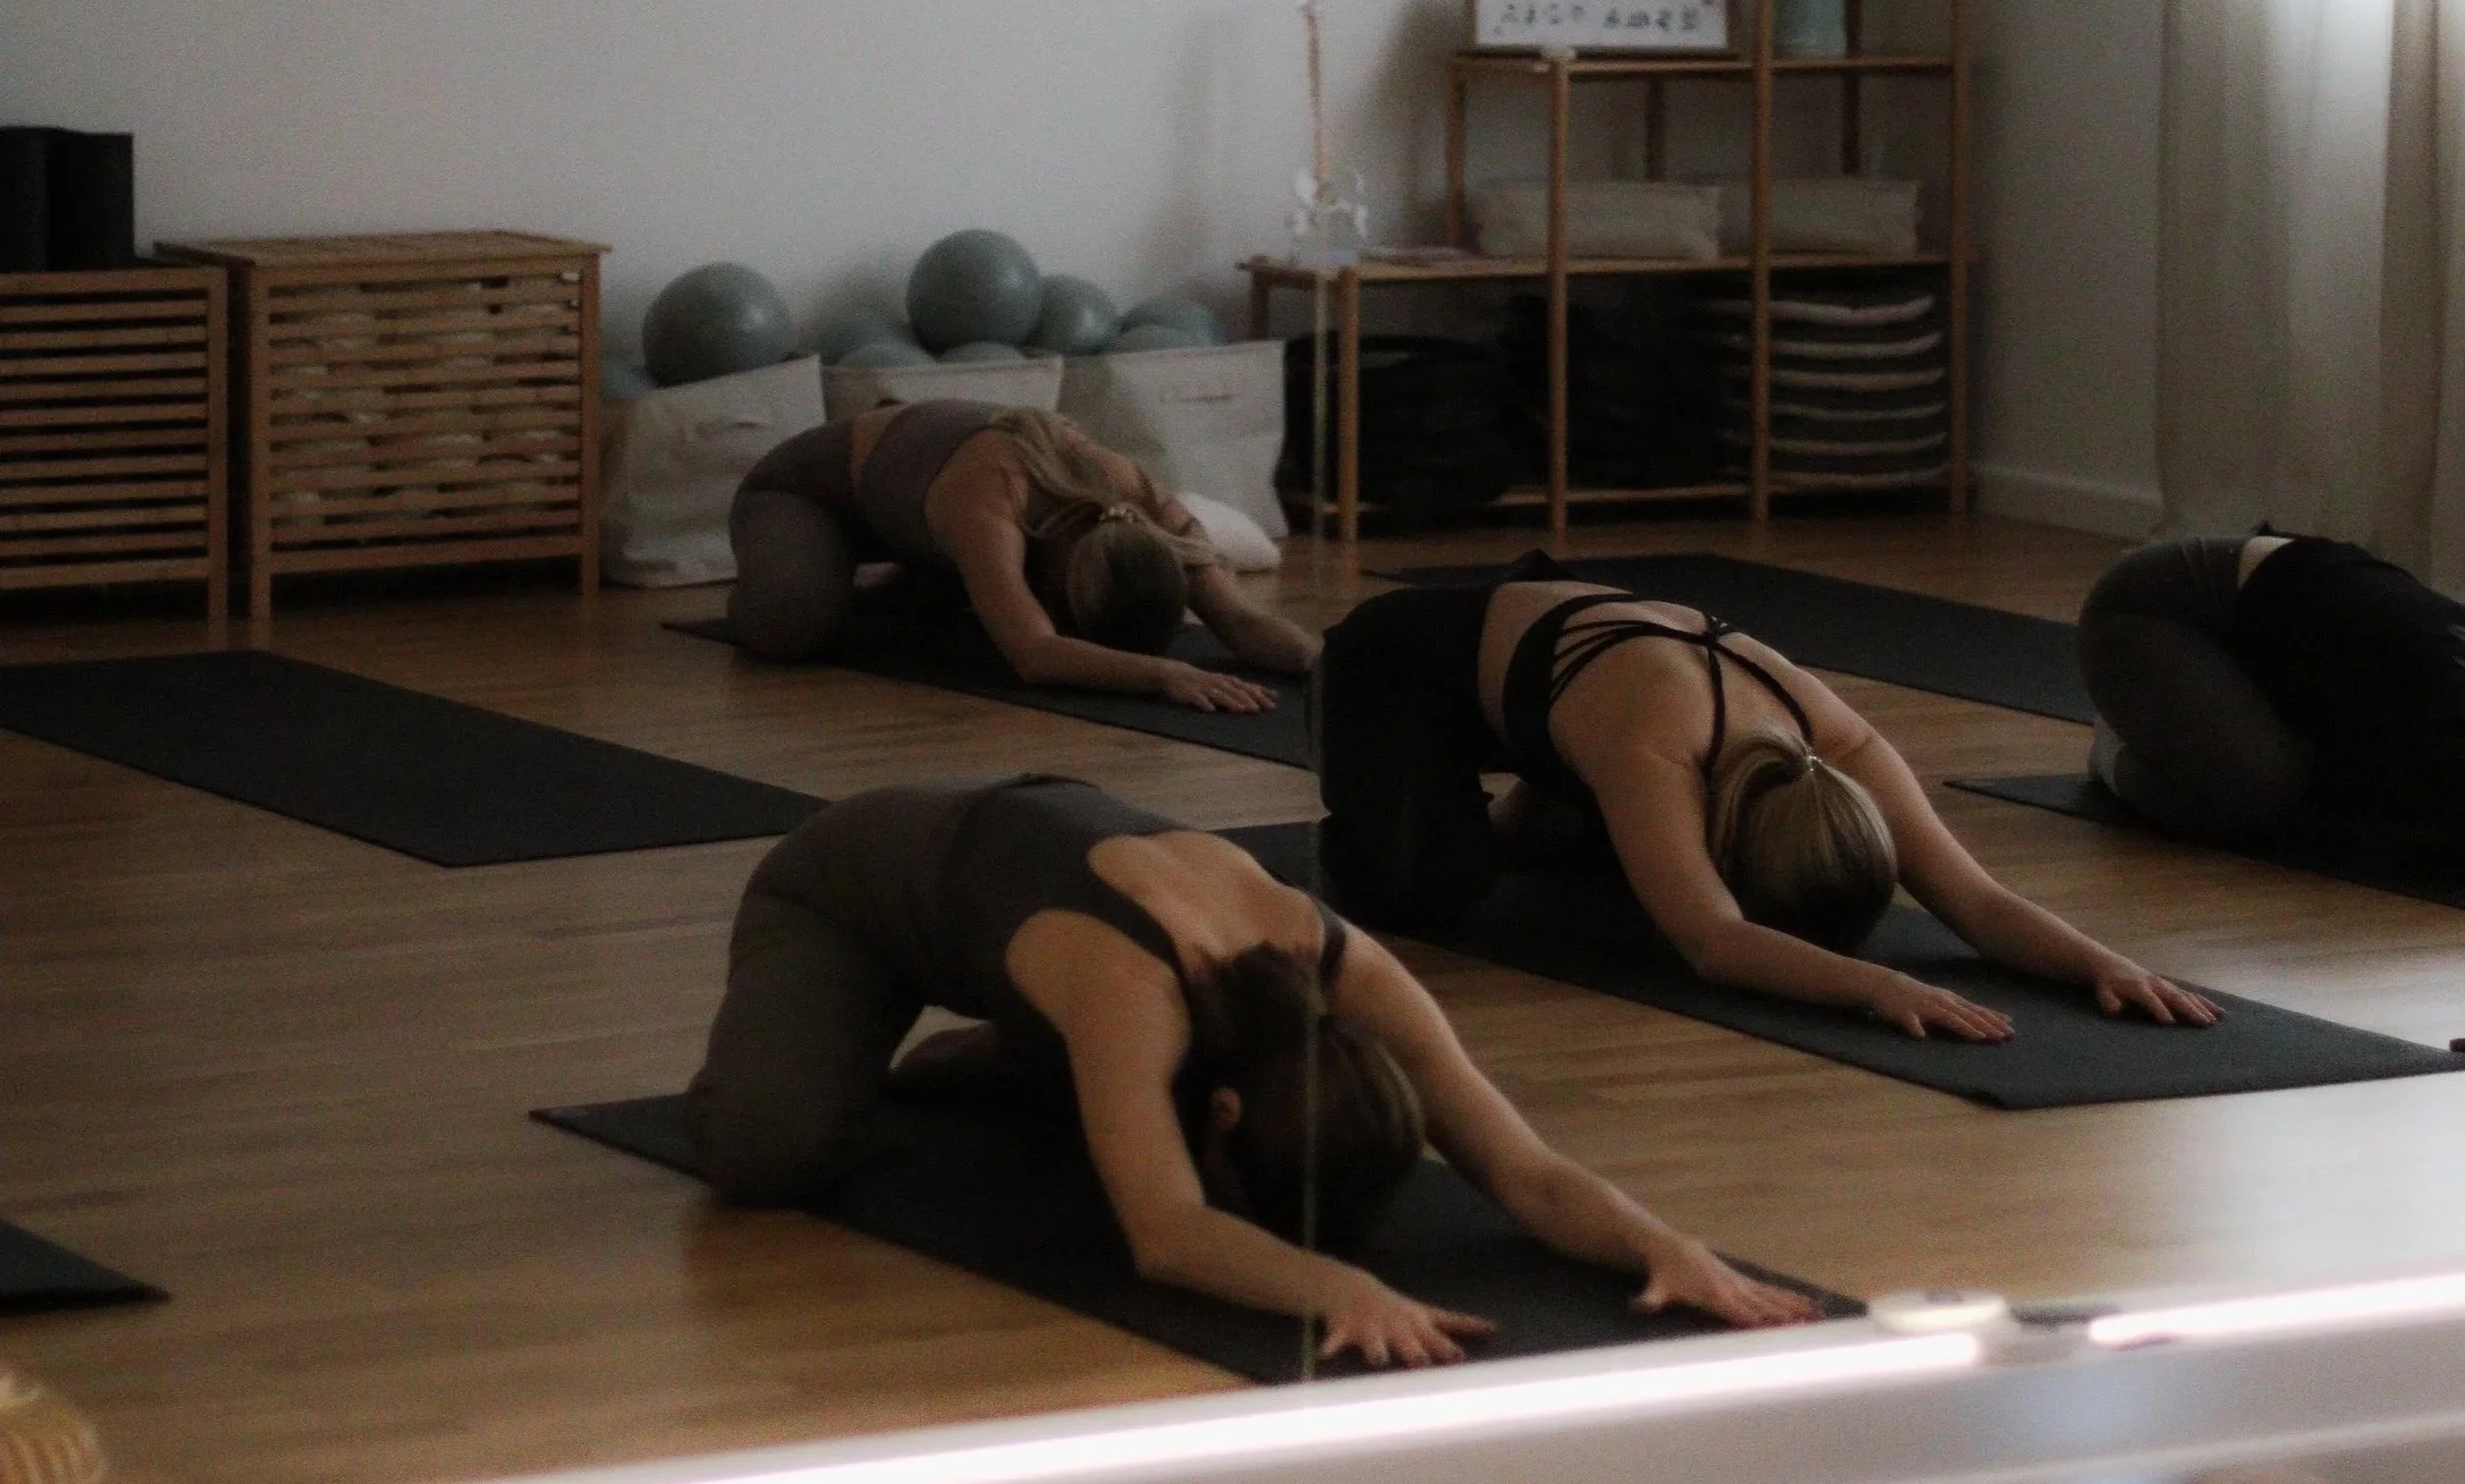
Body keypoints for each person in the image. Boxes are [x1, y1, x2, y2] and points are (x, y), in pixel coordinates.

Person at [687, 775, 1819, 1366]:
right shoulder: (1135, 991)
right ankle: (1019, 1047)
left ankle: (1021, 1054)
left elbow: (1522, 1169)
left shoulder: (1351, 974)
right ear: (1220, 1109)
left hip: (1045, 912)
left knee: (1089, 1074)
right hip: (853, 883)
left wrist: (1660, 1240)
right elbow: (1169, 1232)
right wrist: (1338, 1285)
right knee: (766, 1149)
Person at [1312, 552, 2220, 1041]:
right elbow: (1716, 941)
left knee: (1610, 878)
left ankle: (1551, 801)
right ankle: (1492, 796)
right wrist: (1875, 986)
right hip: (1405, 660)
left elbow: (1976, 901)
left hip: (1571, 670)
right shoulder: (1655, 750)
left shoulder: (1843, 744)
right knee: (1427, 893)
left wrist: (2105, 964)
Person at [726, 400, 1316, 711]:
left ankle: (910, 568)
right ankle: (794, 564)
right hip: (806, 491)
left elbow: (1239, 619)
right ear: (1055, 576)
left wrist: (1329, 662)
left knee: (934, 617)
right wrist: (1166, 673)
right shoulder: (991, 497)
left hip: (924, 510)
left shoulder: (1141, 500)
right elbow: (1035, 655)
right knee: (792, 623)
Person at [2078, 533, 2465, 852]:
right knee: (2254, 797)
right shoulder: (2441, 743)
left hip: (2280, 635)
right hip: (2156, 610)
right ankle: (2112, 748)